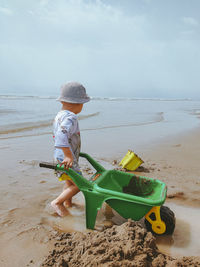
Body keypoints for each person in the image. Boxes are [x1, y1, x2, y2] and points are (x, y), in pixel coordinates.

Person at [51, 82, 90, 216]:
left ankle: (68, 203)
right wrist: (68, 156)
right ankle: (57, 202)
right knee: (80, 184)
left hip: (59, 156)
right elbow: (61, 135)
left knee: (69, 182)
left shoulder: (59, 115)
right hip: (65, 158)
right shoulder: (71, 117)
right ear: (78, 103)